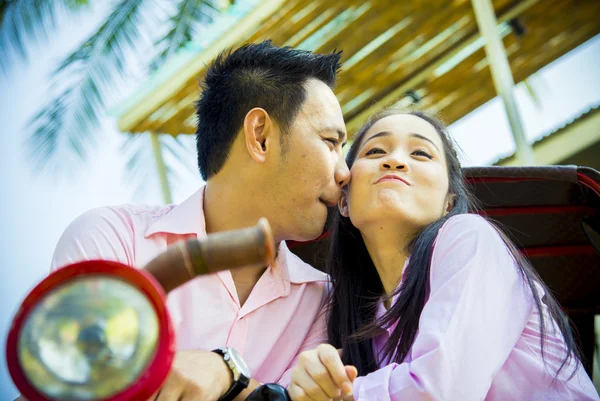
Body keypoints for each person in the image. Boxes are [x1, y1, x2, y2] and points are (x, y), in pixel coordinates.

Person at [35, 41, 350, 401]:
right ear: (260, 136)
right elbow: (73, 384)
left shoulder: (322, 300)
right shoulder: (112, 242)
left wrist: (226, 373)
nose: (345, 172)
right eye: (331, 142)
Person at [287, 109, 599, 400]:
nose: (395, 161)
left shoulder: (469, 237)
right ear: (344, 202)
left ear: (449, 202)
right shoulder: (347, 317)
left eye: (420, 153)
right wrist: (310, 385)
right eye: (375, 151)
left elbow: (440, 391)